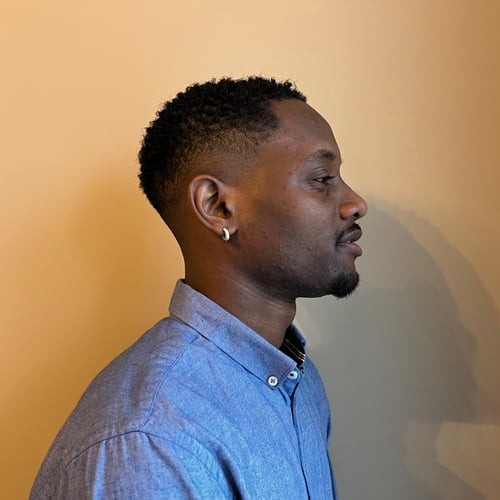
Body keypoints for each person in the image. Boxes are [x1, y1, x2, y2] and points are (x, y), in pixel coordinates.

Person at [31, 77, 367, 499]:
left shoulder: (296, 379)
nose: (355, 203)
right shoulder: (152, 442)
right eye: (322, 178)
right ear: (217, 207)